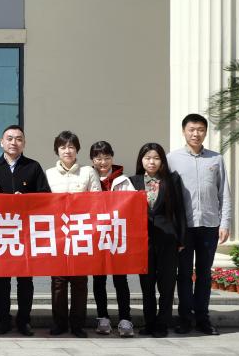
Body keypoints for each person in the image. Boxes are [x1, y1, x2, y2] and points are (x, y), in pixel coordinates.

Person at [167, 113, 232, 336]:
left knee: (204, 274)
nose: (196, 134)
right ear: (184, 131)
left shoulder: (216, 159)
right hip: (184, 227)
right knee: (184, 273)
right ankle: (185, 318)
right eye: (191, 129)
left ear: (205, 132)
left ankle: (203, 318)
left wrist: (225, 223)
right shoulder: (172, 159)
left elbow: (224, 194)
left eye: (200, 130)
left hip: (209, 225)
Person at [0, 125, 50, 336]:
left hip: (26, 231)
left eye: (19, 139)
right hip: (1, 229)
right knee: (2, 279)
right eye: (9, 138)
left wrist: (27, 200)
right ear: (1, 142)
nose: (14, 142)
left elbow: (46, 196)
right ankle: (3, 320)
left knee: (25, 279)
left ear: (24, 143)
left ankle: (24, 321)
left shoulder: (33, 167)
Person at [44, 131, 101, 338]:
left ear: (77, 149)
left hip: (81, 232)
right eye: (63, 147)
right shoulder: (49, 173)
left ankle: (78, 324)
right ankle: (59, 323)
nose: (67, 151)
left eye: (71, 147)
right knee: (58, 282)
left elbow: (98, 201)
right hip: (57, 234)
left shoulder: (88, 172)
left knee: (79, 281)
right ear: (57, 150)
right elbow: (43, 202)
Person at [130, 143, 187, 338]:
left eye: (156, 158)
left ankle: (163, 323)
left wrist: (181, 238)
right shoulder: (133, 181)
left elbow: (180, 210)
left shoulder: (172, 180)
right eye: (147, 158)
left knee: (166, 284)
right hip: (143, 241)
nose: (151, 162)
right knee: (147, 285)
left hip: (168, 239)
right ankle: (149, 323)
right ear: (141, 160)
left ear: (162, 160)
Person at [89, 140, 136, 337]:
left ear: (112, 158)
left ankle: (125, 319)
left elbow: (132, 205)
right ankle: (103, 317)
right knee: (98, 278)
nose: (103, 162)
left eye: (107, 158)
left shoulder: (123, 181)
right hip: (96, 235)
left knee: (120, 278)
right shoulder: (87, 177)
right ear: (92, 160)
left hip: (117, 235)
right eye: (98, 158)